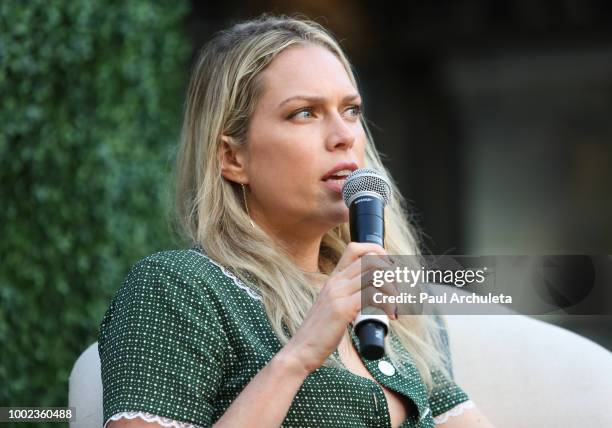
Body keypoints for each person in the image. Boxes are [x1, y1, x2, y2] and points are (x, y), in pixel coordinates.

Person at [99, 14, 496, 428]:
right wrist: (300, 355)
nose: (343, 135)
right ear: (232, 158)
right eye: (305, 113)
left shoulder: (394, 303)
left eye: (351, 110)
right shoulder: (178, 290)